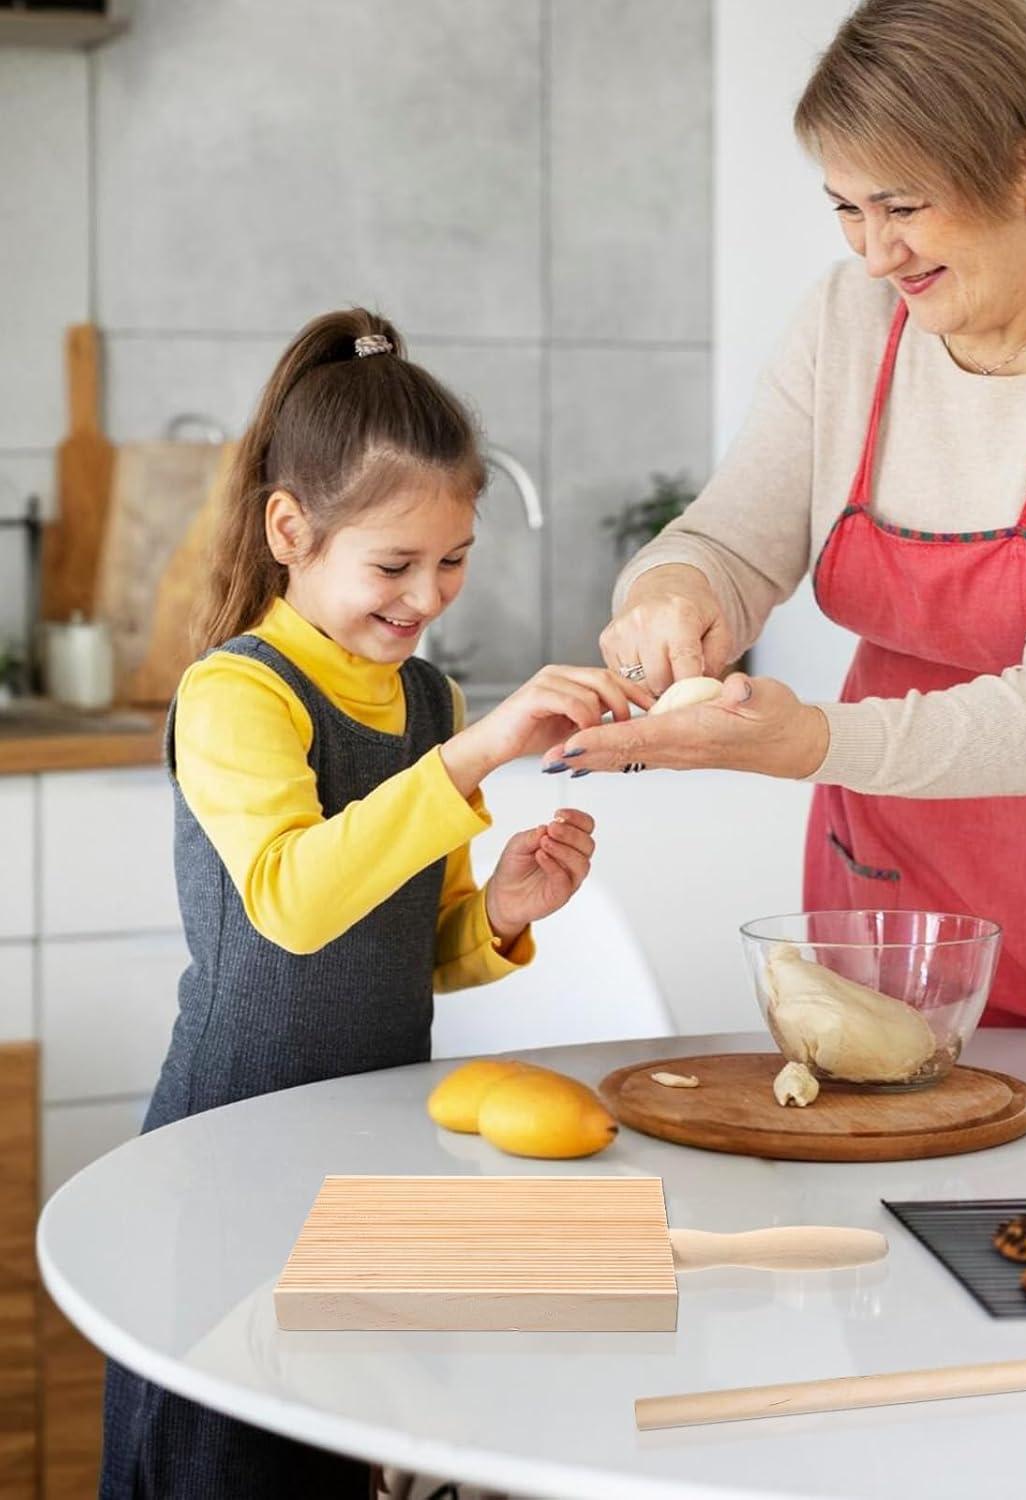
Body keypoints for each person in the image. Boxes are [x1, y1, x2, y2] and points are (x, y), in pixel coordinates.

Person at [554, 0, 1026, 1042]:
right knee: (882, 1162)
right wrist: (674, 592)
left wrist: (807, 739)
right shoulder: (848, 319)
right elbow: (730, 537)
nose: (874, 255)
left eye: (901, 206)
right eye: (845, 210)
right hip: (893, 864)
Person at [100, 309, 651, 1498]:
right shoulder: (237, 693)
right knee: (219, 1461)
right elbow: (294, 907)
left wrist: (507, 907)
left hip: (368, 1151)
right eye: (393, 566)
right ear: (292, 531)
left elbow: (423, 946)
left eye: (452, 560)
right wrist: (478, 760)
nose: (427, 596)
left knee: (333, 1453)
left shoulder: (427, 700)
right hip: (229, 1141)